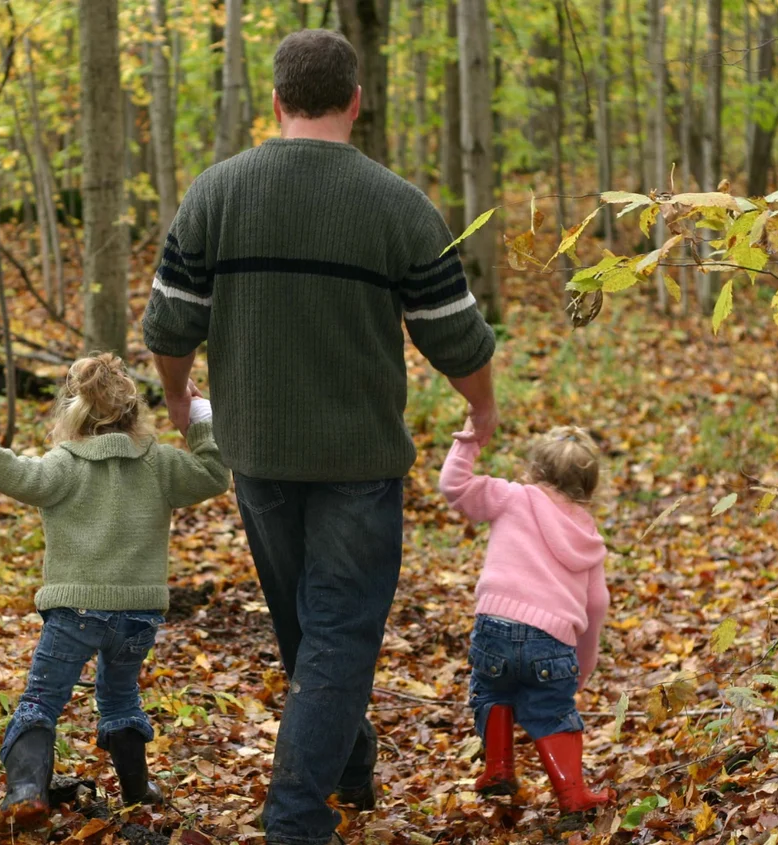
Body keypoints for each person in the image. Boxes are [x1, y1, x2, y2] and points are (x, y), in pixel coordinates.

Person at [141, 28, 498, 845]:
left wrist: (176, 396)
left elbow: (168, 325)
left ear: (275, 101)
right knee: (333, 631)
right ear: (355, 102)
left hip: (256, 452)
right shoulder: (398, 204)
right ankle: (296, 820)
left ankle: (349, 762)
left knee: (310, 626)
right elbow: (458, 337)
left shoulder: (216, 192)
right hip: (358, 461)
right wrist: (482, 411)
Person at [0, 353, 228, 843]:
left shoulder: (66, 464)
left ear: (74, 412)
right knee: (120, 696)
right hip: (139, 616)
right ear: (134, 412)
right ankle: (138, 791)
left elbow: (17, 475)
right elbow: (214, 474)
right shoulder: (159, 463)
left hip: (75, 612)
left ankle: (27, 790)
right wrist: (201, 418)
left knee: (42, 701)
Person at [440, 421, 615, 813]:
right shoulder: (589, 535)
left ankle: (499, 767)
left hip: (494, 627)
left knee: (491, 691)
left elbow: (455, 487)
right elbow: (596, 605)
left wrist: (470, 441)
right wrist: (581, 669)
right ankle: (572, 795)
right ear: (590, 488)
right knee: (552, 712)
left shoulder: (510, 497)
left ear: (534, 470)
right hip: (551, 642)